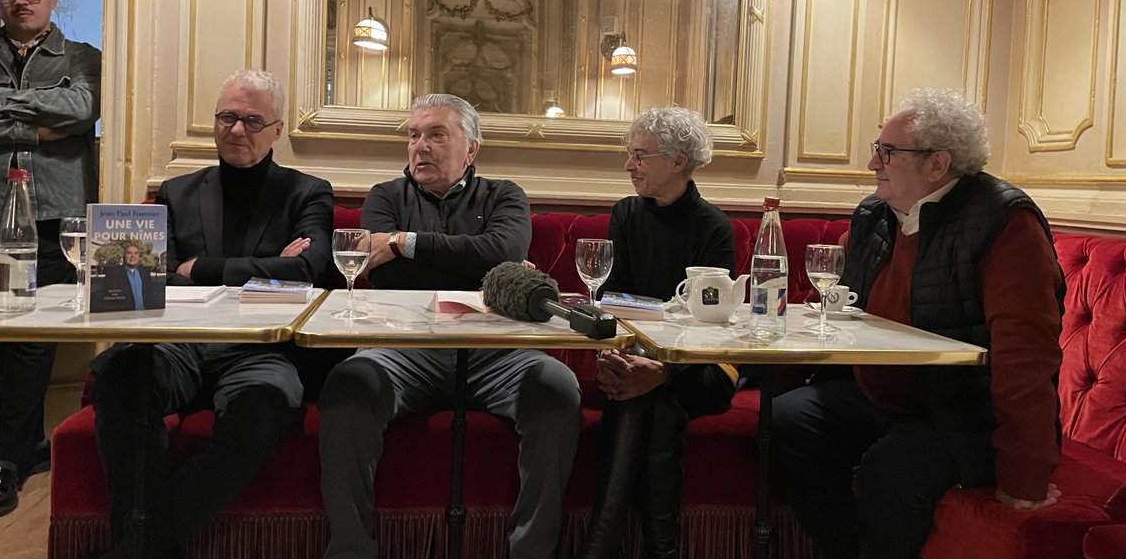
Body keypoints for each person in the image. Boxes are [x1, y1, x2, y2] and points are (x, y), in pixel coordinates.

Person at [770, 88, 1065, 559]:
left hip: (959, 409)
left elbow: (1025, 354)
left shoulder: (1003, 221)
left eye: (887, 152)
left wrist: (1024, 473)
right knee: (786, 419)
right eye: (876, 149)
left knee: (889, 475)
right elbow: (835, 307)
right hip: (882, 393)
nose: (872, 164)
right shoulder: (875, 215)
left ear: (937, 164)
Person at [317, 93, 581, 559]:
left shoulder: (504, 195)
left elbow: (501, 253)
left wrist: (407, 242)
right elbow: (392, 273)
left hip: (494, 351)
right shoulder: (385, 196)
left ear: (471, 148)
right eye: (414, 135)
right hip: (402, 348)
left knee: (557, 387)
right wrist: (472, 259)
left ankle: (532, 552)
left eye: (437, 135)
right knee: (347, 385)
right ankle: (351, 550)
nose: (420, 146)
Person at [89, 70, 334, 559]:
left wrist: (202, 266)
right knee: (117, 375)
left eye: (251, 120)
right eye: (226, 117)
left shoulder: (307, 192)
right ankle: (146, 543)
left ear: (278, 129)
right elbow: (154, 279)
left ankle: (141, 543)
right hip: (178, 340)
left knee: (268, 405)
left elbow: (310, 271)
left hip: (258, 347)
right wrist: (269, 270)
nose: (236, 130)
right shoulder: (177, 193)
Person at [0, 0, 101, 519]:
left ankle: (4, 459)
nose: (19, 0)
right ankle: (26, 448)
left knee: (37, 330)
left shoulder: (83, 55)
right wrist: (42, 129)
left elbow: (82, 106)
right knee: (2, 329)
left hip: (57, 212)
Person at [579, 107, 738, 559]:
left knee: (645, 397)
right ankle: (659, 550)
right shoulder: (626, 214)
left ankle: (599, 544)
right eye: (630, 155)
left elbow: (711, 326)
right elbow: (613, 301)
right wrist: (621, 360)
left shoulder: (714, 227)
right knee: (653, 409)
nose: (629, 166)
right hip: (638, 358)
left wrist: (664, 371)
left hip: (704, 367)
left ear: (678, 161)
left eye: (640, 155)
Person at [98, 243, 165, 310]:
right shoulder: (113, 273)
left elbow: (149, 295)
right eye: (129, 253)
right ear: (124, 256)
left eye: (136, 253)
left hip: (144, 315)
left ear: (139, 256)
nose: (132, 256)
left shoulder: (145, 272)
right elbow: (108, 299)